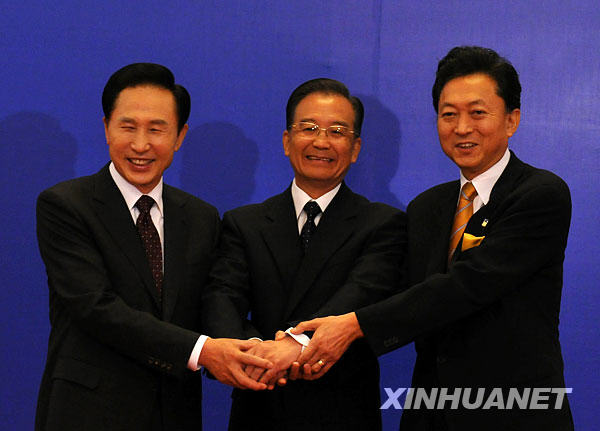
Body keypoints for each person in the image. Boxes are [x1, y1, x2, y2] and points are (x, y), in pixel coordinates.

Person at [291, 47, 574, 430]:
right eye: (449, 114)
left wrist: (354, 325)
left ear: (512, 120)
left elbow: (467, 285)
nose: (462, 128)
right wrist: (299, 341)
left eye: (478, 113)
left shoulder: (539, 194)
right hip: (431, 412)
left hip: (515, 413)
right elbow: (390, 290)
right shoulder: (427, 207)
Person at [35, 63, 272, 431]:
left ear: (179, 136)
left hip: (174, 413)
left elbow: (212, 304)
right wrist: (204, 351)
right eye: (128, 127)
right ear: (106, 128)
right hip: (88, 413)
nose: (141, 145)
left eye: (156, 129)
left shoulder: (201, 217)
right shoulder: (66, 205)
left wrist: (255, 347)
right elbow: (96, 308)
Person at [201, 78, 406, 430]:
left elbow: (359, 293)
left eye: (337, 131)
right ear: (287, 141)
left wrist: (294, 346)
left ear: (355, 148)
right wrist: (255, 354)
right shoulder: (244, 223)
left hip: (342, 411)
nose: (321, 142)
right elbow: (222, 297)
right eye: (308, 128)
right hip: (258, 403)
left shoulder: (382, 223)